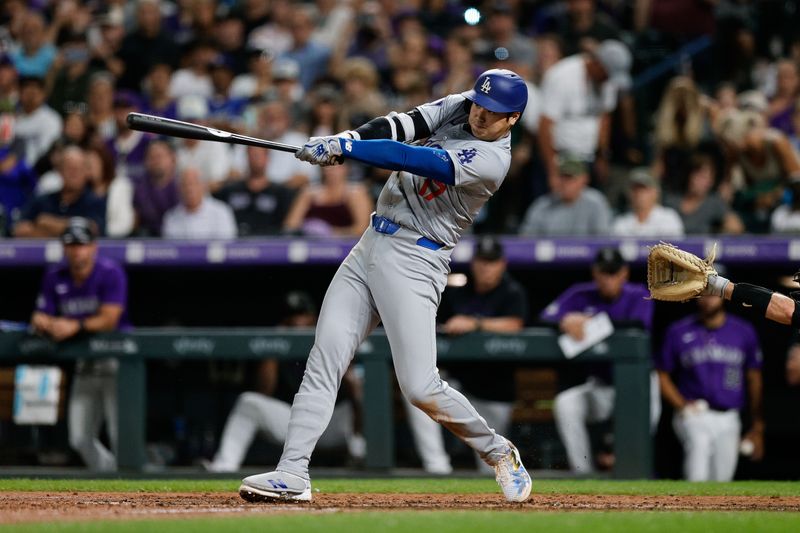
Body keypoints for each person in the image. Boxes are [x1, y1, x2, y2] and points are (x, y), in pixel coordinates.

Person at [238, 69, 533, 503]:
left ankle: (499, 452)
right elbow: (401, 126)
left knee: (419, 387)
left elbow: (413, 158)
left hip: (417, 258)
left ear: (513, 120)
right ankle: (293, 472)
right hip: (370, 243)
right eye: (479, 105)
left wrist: (348, 148)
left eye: (494, 114)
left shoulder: (493, 161)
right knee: (325, 357)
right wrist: (346, 138)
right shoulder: (463, 104)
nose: (480, 116)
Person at [405, 235, 528, 475]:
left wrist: (476, 324)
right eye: (482, 261)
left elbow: (515, 324)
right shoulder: (458, 288)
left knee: (488, 466)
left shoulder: (512, 291)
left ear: (502, 264)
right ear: (474, 263)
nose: (486, 267)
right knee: (419, 393)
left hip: (493, 391)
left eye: (491, 262)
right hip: (459, 384)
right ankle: (437, 468)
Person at [204, 291, 366, 472]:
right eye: (290, 317)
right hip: (295, 422)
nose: (297, 322)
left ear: (312, 318)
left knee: (364, 394)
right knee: (249, 402)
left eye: (301, 315)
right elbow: (264, 390)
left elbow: (355, 391)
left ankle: (363, 457)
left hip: (334, 422)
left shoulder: (329, 337)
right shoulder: (280, 348)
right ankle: (223, 467)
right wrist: (276, 345)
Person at [540, 247, 656, 474]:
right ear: (595, 273)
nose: (609, 278)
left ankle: (637, 474)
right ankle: (583, 472)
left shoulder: (638, 294)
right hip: (600, 384)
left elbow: (637, 325)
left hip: (638, 384)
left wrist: (589, 322)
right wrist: (564, 321)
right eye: (604, 272)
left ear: (624, 273)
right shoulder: (581, 294)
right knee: (566, 403)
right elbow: (544, 318)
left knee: (639, 435)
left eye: (614, 272)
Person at [30, 218, 131, 471]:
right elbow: (45, 313)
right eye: (71, 245)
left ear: (93, 247)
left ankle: (131, 486)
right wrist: (41, 320)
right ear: (64, 248)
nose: (77, 250)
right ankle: (111, 478)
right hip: (85, 361)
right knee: (78, 438)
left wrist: (76, 325)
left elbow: (109, 318)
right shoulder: (55, 275)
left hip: (116, 359)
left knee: (121, 436)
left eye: (82, 245)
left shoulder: (110, 272)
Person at [657, 292, 764, 481]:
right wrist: (682, 405)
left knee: (723, 479)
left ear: (724, 297)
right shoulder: (679, 330)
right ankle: (691, 509)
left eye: (713, 294)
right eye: (703, 294)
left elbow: (754, 377)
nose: (708, 299)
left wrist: (756, 424)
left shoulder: (743, 331)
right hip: (694, 412)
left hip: (729, 415)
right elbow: (661, 374)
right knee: (698, 457)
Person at [538, 40, 631, 189]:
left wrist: (602, 156)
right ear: (597, 63)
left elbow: (604, 118)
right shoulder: (562, 76)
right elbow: (544, 125)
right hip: (560, 158)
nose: (608, 79)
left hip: (588, 158)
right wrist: (552, 170)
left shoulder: (608, 82)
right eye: (607, 73)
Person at [14, 146, 106, 238]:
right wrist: (70, 230)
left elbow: (92, 230)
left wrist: (47, 224)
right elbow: (19, 230)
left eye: (78, 169)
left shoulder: (95, 202)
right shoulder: (41, 201)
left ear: (86, 172)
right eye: (70, 169)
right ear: (60, 171)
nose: (74, 174)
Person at [518, 155, 612, 236]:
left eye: (570, 178)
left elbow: (603, 242)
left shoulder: (596, 203)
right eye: (562, 177)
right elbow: (525, 241)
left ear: (584, 179)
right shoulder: (543, 205)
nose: (565, 183)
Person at [214, 146, 296, 236]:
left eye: (258, 155)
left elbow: (288, 227)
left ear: (267, 158)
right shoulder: (230, 190)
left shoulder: (280, 192)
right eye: (252, 155)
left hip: (269, 244)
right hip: (236, 243)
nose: (255, 159)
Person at [283, 163, 373, 237]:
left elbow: (362, 228)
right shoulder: (309, 192)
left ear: (346, 168)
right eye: (328, 165)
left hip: (345, 247)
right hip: (310, 243)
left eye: (336, 165)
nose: (331, 169)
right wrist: (308, 231)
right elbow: (291, 225)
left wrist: (330, 233)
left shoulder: (356, 193)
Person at [162, 166, 237, 240]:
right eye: (185, 184)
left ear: (203, 186)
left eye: (194, 183)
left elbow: (226, 247)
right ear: (179, 189)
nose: (189, 189)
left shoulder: (221, 212)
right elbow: (171, 249)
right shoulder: (171, 217)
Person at [611, 168, 685, 238]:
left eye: (644, 189)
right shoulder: (621, 223)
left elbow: (675, 249)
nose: (639, 194)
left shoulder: (668, 218)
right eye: (635, 189)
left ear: (655, 192)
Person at [133, 140, 180, 237]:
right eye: (151, 157)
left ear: (173, 159)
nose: (156, 161)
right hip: (150, 238)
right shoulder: (140, 189)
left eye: (160, 156)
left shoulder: (182, 186)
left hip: (180, 236)